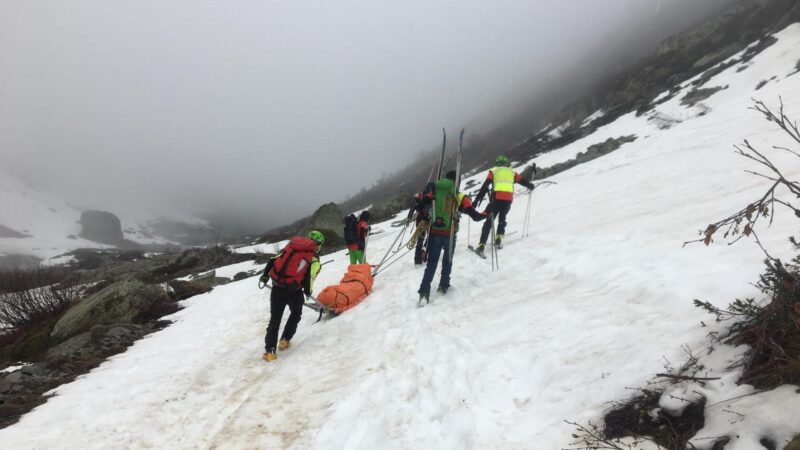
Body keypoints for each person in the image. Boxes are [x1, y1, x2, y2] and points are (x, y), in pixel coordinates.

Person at [417, 170, 485, 303]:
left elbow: (421, 205)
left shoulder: (434, 190)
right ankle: (443, 286)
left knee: (431, 264)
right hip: (450, 233)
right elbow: (475, 216)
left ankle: (424, 293)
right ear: (456, 181)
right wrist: (487, 212)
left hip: (435, 232)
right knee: (447, 262)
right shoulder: (458, 195)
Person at [260, 230, 324, 362]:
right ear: (319, 245)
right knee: (295, 314)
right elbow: (309, 278)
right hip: (294, 291)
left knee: (274, 320)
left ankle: (270, 352)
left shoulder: (291, 248)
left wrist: (265, 276)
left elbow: (272, 260)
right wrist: (308, 291)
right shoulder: (313, 258)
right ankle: (285, 340)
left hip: (277, 288)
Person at [472, 155, 535, 256]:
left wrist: (476, 200)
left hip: (496, 199)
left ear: (497, 163)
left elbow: (485, 185)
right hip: (508, 200)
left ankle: (481, 245)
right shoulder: (512, 172)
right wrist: (530, 186)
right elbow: (522, 181)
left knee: (489, 221)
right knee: (502, 219)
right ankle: (498, 240)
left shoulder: (494, 171)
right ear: (506, 163)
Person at [406, 191, 431, 265]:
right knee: (430, 237)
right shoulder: (431, 195)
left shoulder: (419, 196)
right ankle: (424, 253)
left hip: (420, 219)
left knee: (420, 238)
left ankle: (417, 259)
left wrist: (409, 218)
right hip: (429, 219)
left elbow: (413, 208)